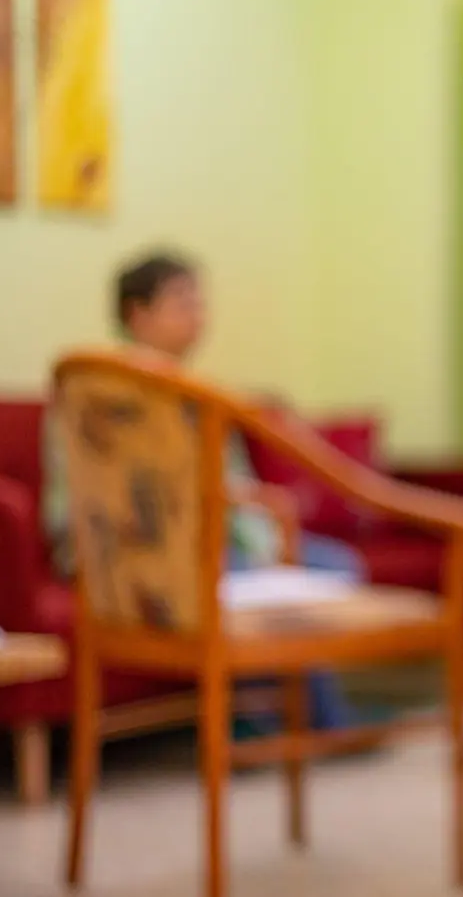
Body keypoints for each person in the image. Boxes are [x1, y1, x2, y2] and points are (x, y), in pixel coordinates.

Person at [43, 252, 369, 734]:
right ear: (138, 314)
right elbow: (108, 497)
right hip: (141, 548)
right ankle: (279, 722)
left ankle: (293, 715)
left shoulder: (199, 394)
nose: (198, 315)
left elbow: (230, 487)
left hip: (216, 537)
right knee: (239, 576)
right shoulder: (100, 392)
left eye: (200, 302)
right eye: (182, 302)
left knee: (334, 565)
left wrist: (260, 526)